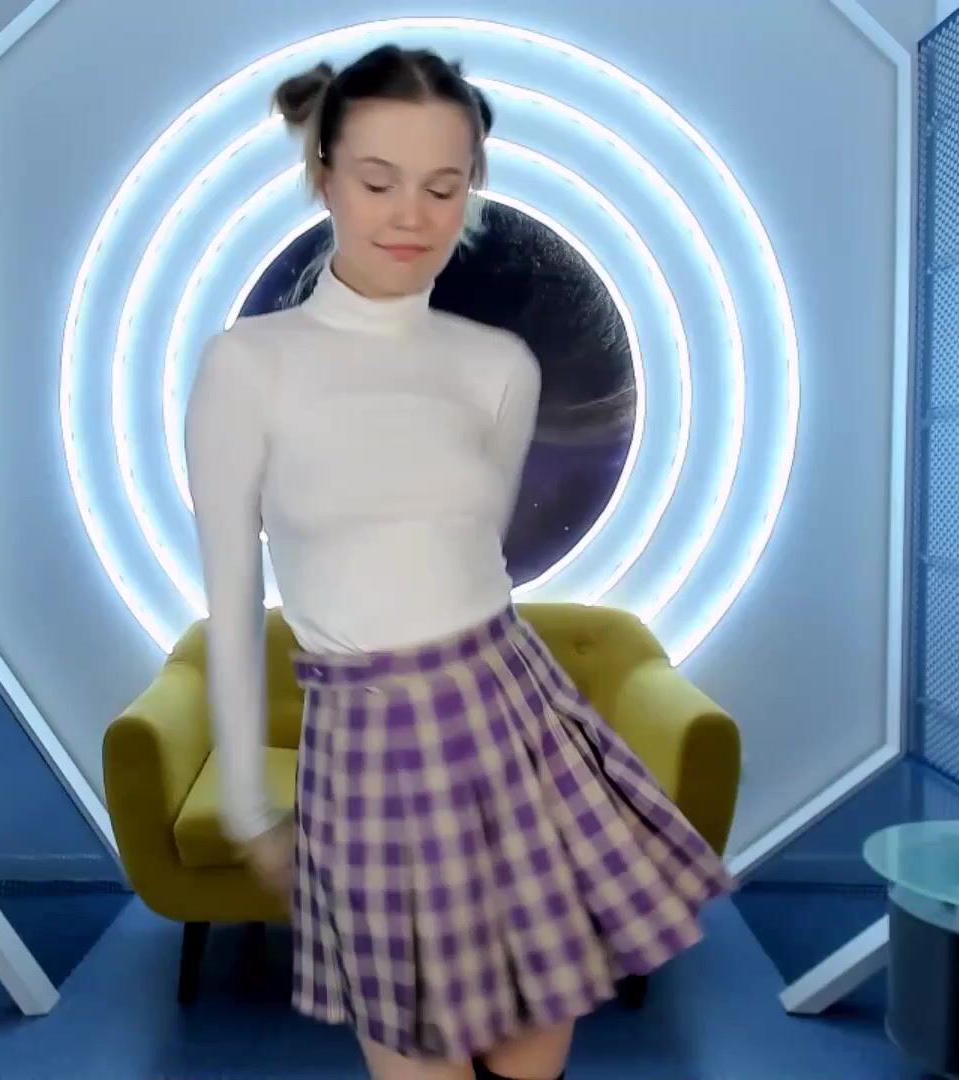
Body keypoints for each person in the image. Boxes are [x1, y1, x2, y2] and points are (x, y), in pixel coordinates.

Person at [183, 44, 732, 1080]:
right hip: (369, 743)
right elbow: (232, 590)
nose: (412, 215)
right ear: (324, 178)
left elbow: (473, 555)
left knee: (534, 1051)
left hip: (516, 717)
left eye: (443, 187)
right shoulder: (247, 366)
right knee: (417, 1057)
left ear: (472, 190)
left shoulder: (500, 366)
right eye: (378, 180)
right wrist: (251, 806)